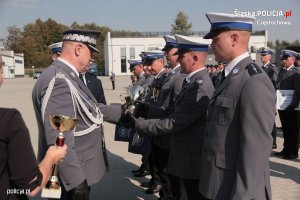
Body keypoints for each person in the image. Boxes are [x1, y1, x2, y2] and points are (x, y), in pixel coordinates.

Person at [32, 29, 121, 200]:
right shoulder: (60, 81)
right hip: (68, 178)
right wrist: (76, 182)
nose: (92, 59)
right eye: (91, 52)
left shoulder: (67, 76)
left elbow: (89, 108)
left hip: (71, 172)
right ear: (78, 49)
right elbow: (60, 137)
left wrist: (121, 112)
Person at [199, 12, 276, 200]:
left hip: (235, 189)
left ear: (234, 39)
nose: (211, 45)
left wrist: (242, 196)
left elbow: (255, 151)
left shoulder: (253, 81)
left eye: (215, 39)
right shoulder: (230, 76)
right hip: (217, 184)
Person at [127, 34, 214, 200]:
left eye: (182, 56)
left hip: (189, 159)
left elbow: (175, 121)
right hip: (182, 154)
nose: (178, 59)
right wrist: (146, 109)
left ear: (194, 58)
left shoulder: (200, 86)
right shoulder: (193, 81)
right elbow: (171, 111)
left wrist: (141, 125)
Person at [0, 53, 67, 200]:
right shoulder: (8, 121)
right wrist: (50, 157)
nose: (3, 79)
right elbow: (30, 187)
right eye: (1, 71)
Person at [275, 50, 300, 160]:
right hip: (282, 105)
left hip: (292, 107)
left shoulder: (296, 72)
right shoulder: (282, 71)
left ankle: (293, 152)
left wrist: (293, 105)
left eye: (286, 59)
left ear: (293, 60)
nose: (283, 61)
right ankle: (286, 148)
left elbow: (298, 91)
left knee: (293, 129)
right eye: (283, 59)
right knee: (285, 128)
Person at [260, 47, 279, 149]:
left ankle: (273, 142)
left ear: (269, 57)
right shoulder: (261, 68)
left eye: (264, 55)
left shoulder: (272, 68)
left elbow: (274, 84)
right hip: (261, 98)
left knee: (271, 120)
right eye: (262, 55)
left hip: (269, 98)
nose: (262, 57)